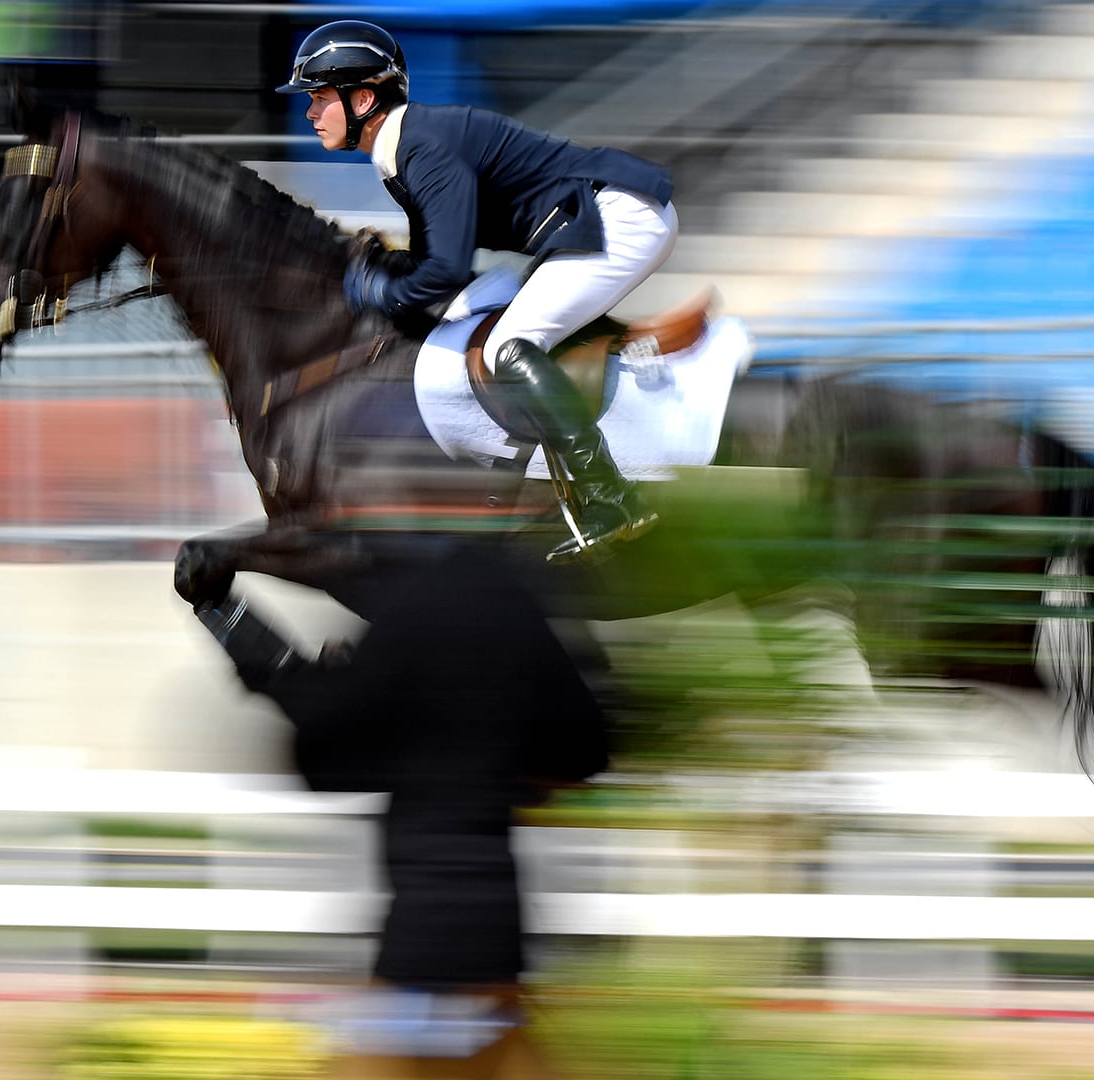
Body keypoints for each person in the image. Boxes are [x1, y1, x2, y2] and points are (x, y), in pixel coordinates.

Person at [193, 539, 610, 1078]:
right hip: (493, 924)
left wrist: (221, 611)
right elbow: (587, 747)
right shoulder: (517, 604)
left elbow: (322, 740)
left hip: (420, 930)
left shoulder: (411, 610)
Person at [277, 20, 675, 563]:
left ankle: (611, 497)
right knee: (487, 322)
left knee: (507, 347)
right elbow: (433, 264)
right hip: (593, 219)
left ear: (363, 99)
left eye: (319, 98)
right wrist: (373, 268)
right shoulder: (404, 150)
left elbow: (443, 272)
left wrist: (379, 294)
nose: (310, 112)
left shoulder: (422, 148)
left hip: (622, 218)